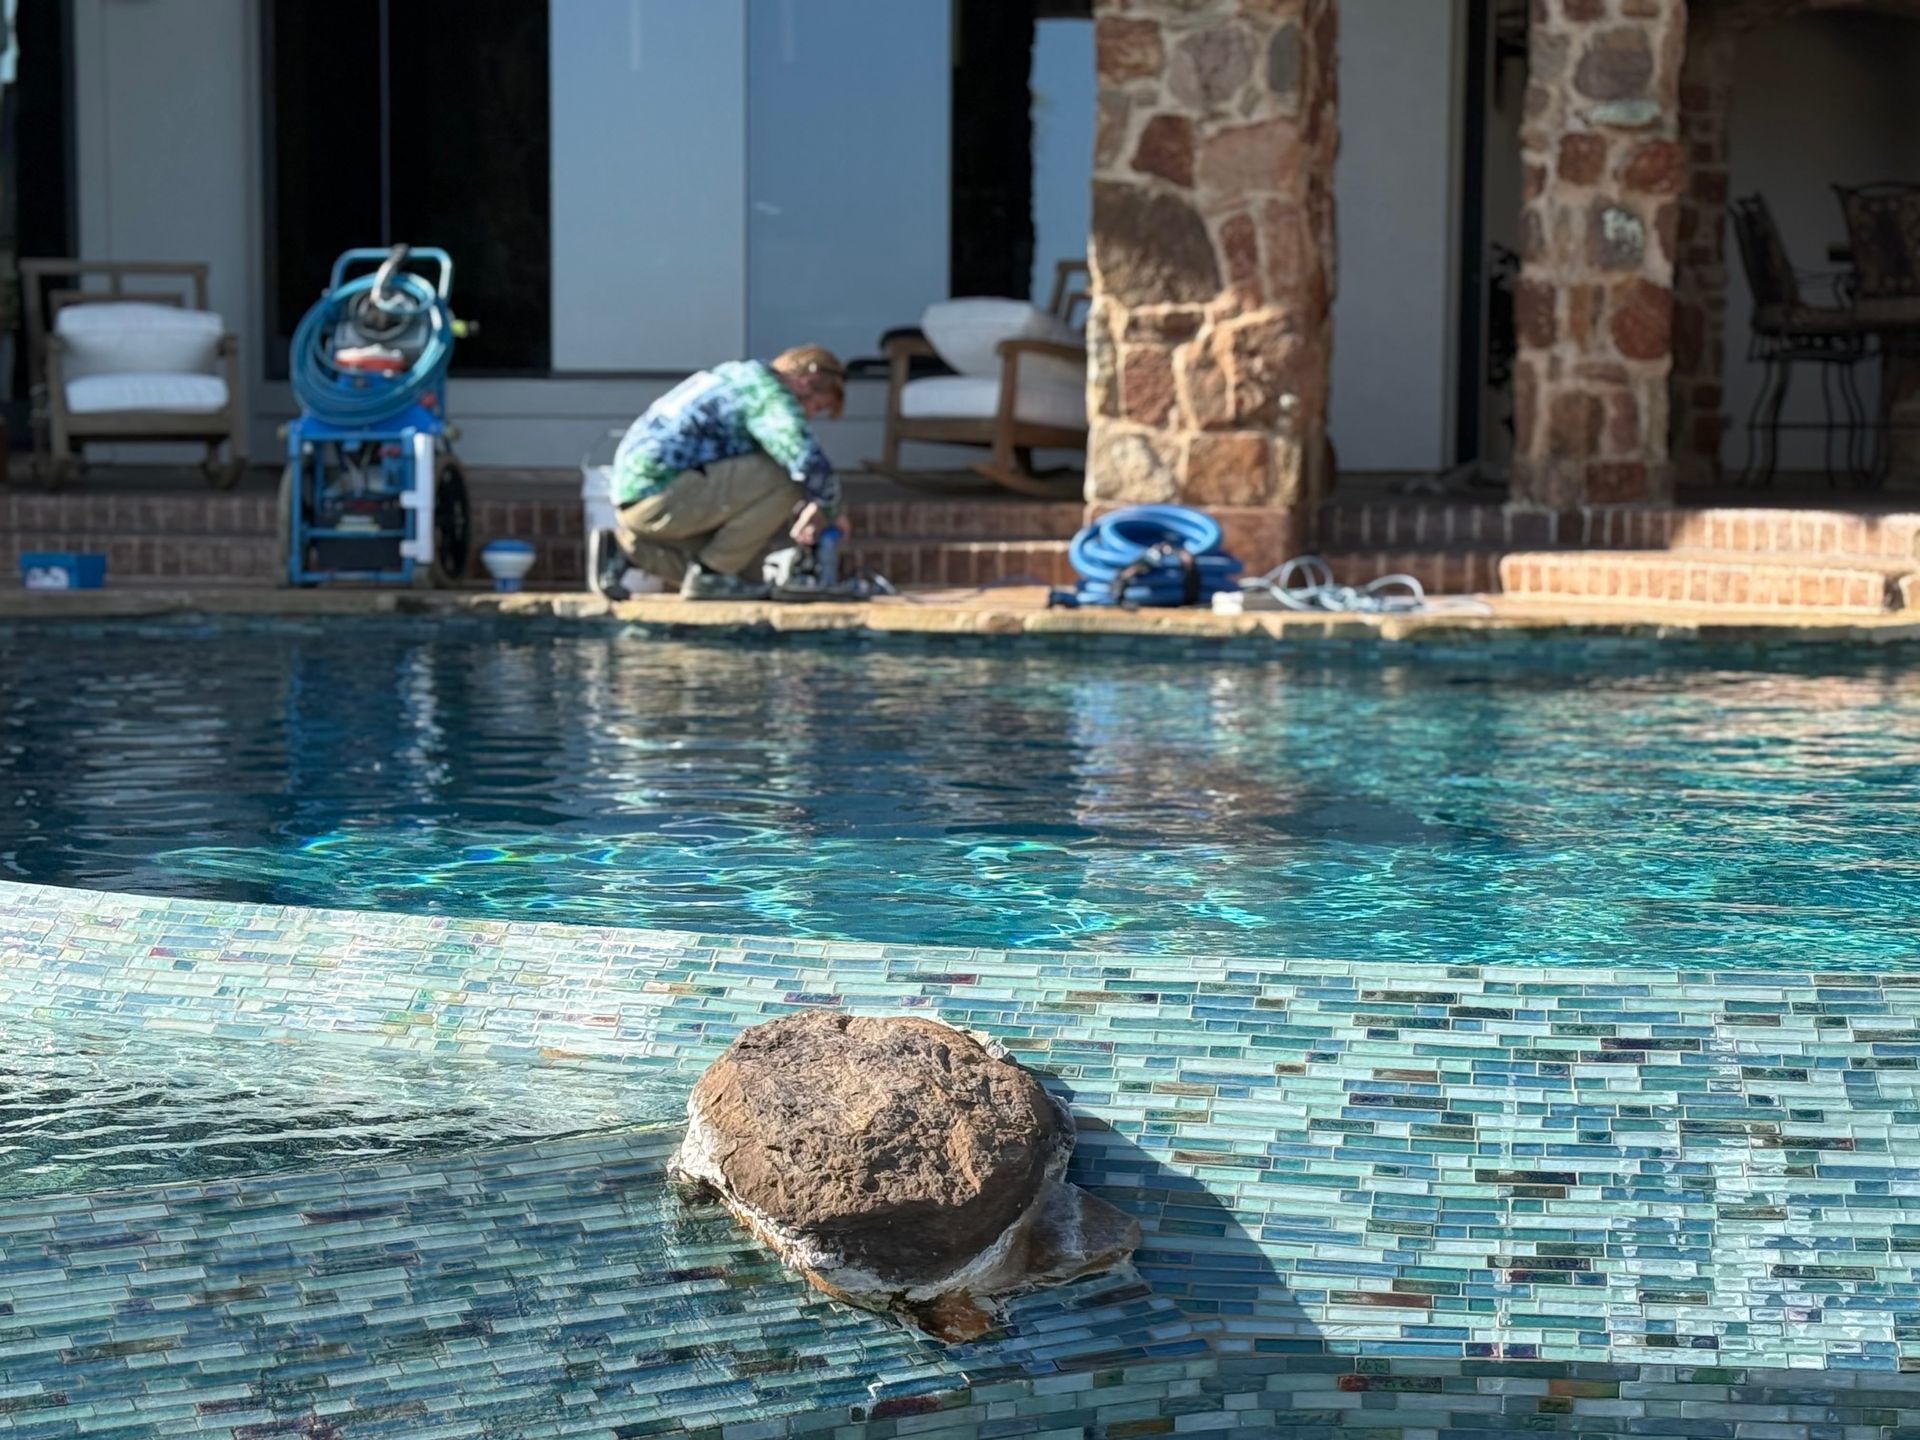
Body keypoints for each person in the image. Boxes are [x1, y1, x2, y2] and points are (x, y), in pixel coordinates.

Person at [588, 344, 849, 601]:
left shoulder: (736, 375)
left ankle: (625, 551)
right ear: (807, 380)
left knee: (748, 577)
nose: (809, 415)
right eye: (816, 407)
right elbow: (805, 458)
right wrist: (830, 510)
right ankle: (711, 577)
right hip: (661, 494)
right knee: (786, 479)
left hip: (639, 500)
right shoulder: (765, 391)